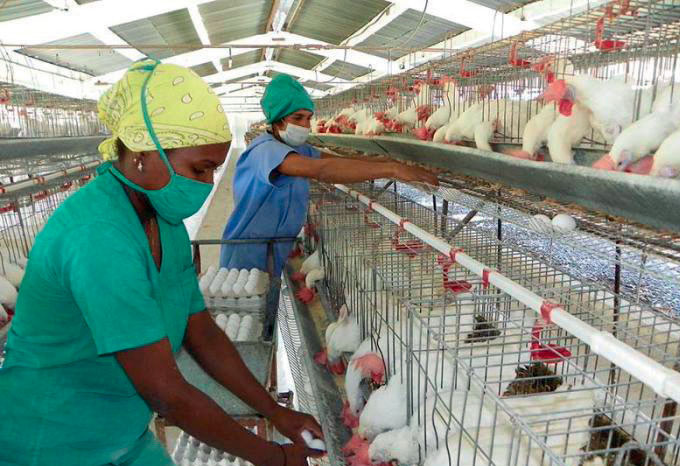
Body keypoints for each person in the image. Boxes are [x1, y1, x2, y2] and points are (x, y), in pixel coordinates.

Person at [0, 59, 322, 466]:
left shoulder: (162, 219)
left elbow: (200, 330)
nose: (207, 184)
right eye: (198, 168)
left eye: (213, 170)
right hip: (51, 443)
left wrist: (274, 411)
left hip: (122, 434)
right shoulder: (98, 237)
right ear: (140, 154)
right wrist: (273, 457)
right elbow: (166, 392)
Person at [219, 73, 438, 278]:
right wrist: (392, 170)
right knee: (246, 312)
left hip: (272, 250)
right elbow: (321, 170)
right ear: (278, 120)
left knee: (264, 314)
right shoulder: (265, 150)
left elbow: (332, 160)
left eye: (308, 118)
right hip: (246, 255)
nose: (305, 125)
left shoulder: (296, 148)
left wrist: (389, 162)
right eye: (298, 118)